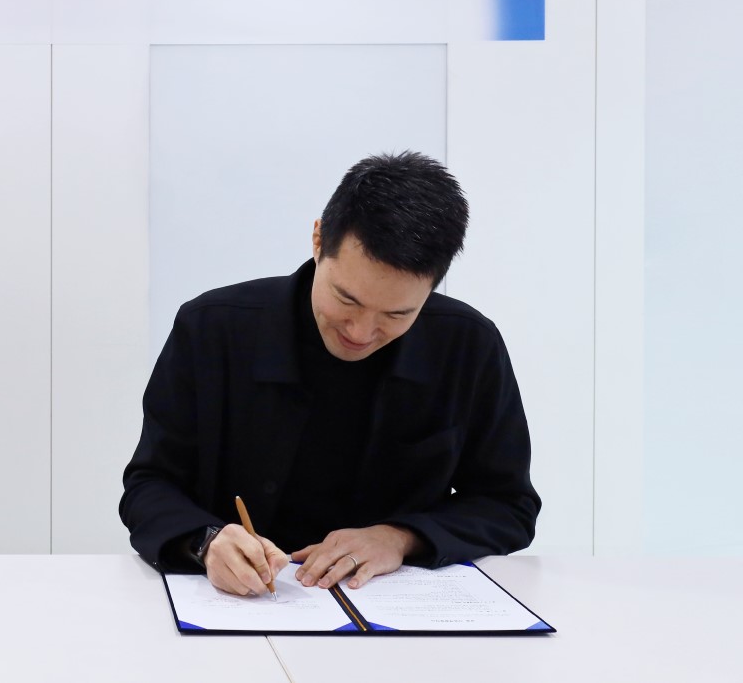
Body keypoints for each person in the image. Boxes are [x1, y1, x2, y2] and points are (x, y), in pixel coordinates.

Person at [119, 151, 540, 597]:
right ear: (318, 239)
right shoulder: (212, 329)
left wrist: (400, 538)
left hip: (393, 610)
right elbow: (149, 485)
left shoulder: (467, 345)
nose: (361, 333)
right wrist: (207, 542)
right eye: (346, 299)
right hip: (244, 603)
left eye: (396, 314)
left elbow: (507, 505)